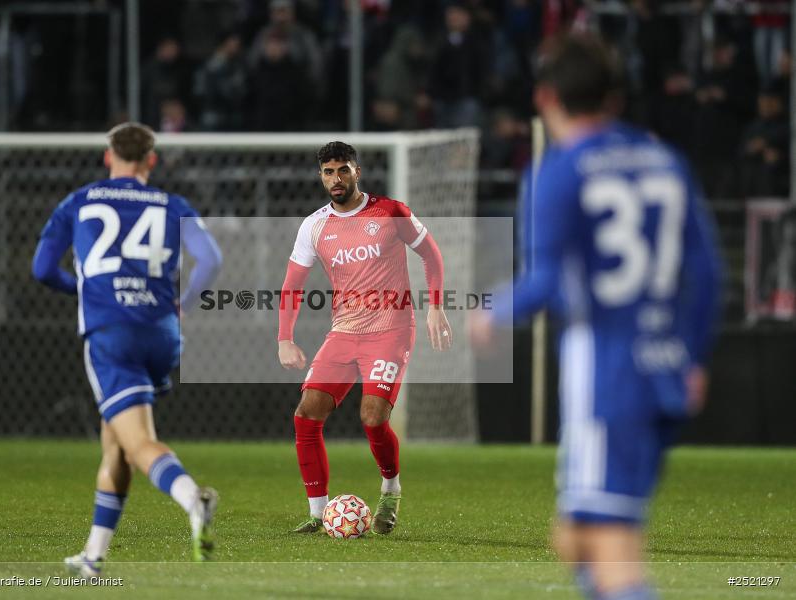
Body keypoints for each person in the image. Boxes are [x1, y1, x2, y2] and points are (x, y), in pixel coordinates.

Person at [470, 34, 723, 599]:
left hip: (607, 374)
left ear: (545, 97)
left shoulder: (559, 172)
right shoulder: (665, 159)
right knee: (580, 539)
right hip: (665, 369)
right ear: (613, 98)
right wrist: (696, 357)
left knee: (610, 549)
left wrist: (492, 312)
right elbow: (707, 275)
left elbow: (547, 280)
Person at [31, 122, 223, 570]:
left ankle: (192, 499)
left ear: (108, 157)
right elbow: (212, 259)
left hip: (112, 333)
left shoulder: (79, 201)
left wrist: (85, 289)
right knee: (115, 441)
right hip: (162, 333)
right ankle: (93, 556)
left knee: (138, 445)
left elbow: (42, 269)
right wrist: (185, 304)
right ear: (151, 161)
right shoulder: (172, 205)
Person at [278, 141, 450, 535]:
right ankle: (318, 514)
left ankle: (391, 488)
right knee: (307, 413)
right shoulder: (314, 226)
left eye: (342, 170)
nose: (335, 179)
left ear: (357, 171)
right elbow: (292, 285)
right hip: (344, 332)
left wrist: (435, 306)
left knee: (372, 419)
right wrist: (284, 338)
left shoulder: (391, 212)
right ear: (320, 176)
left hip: (390, 331)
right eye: (328, 172)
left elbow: (431, 255)